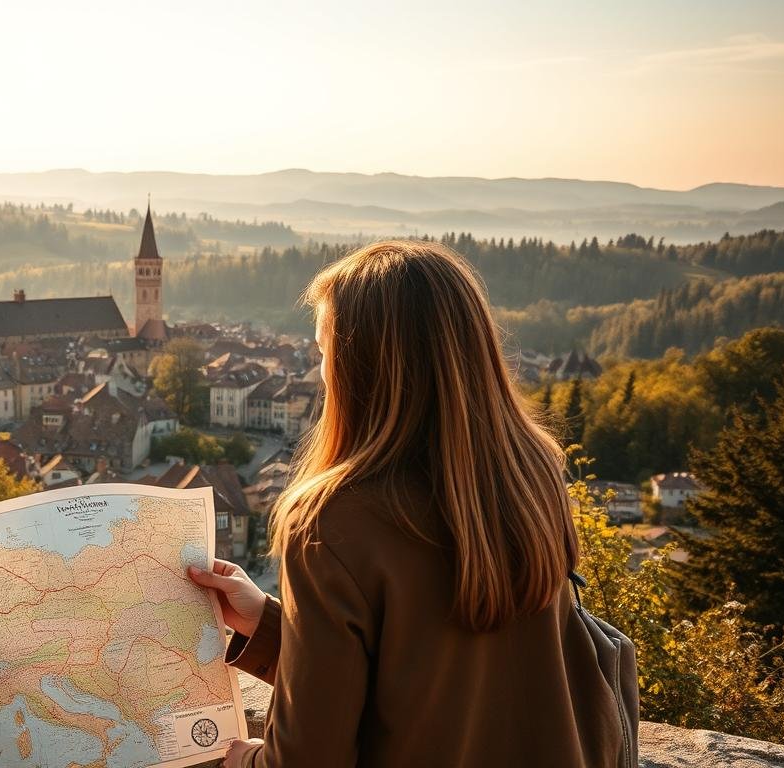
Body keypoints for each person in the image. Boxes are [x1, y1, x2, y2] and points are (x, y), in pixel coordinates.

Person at [189, 240, 634, 767]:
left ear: (358, 366)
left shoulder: (333, 523)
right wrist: (267, 624)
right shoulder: (529, 475)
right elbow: (435, 673)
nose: (322, 371)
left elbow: (311, 758)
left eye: (323, 351)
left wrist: (242, 761)